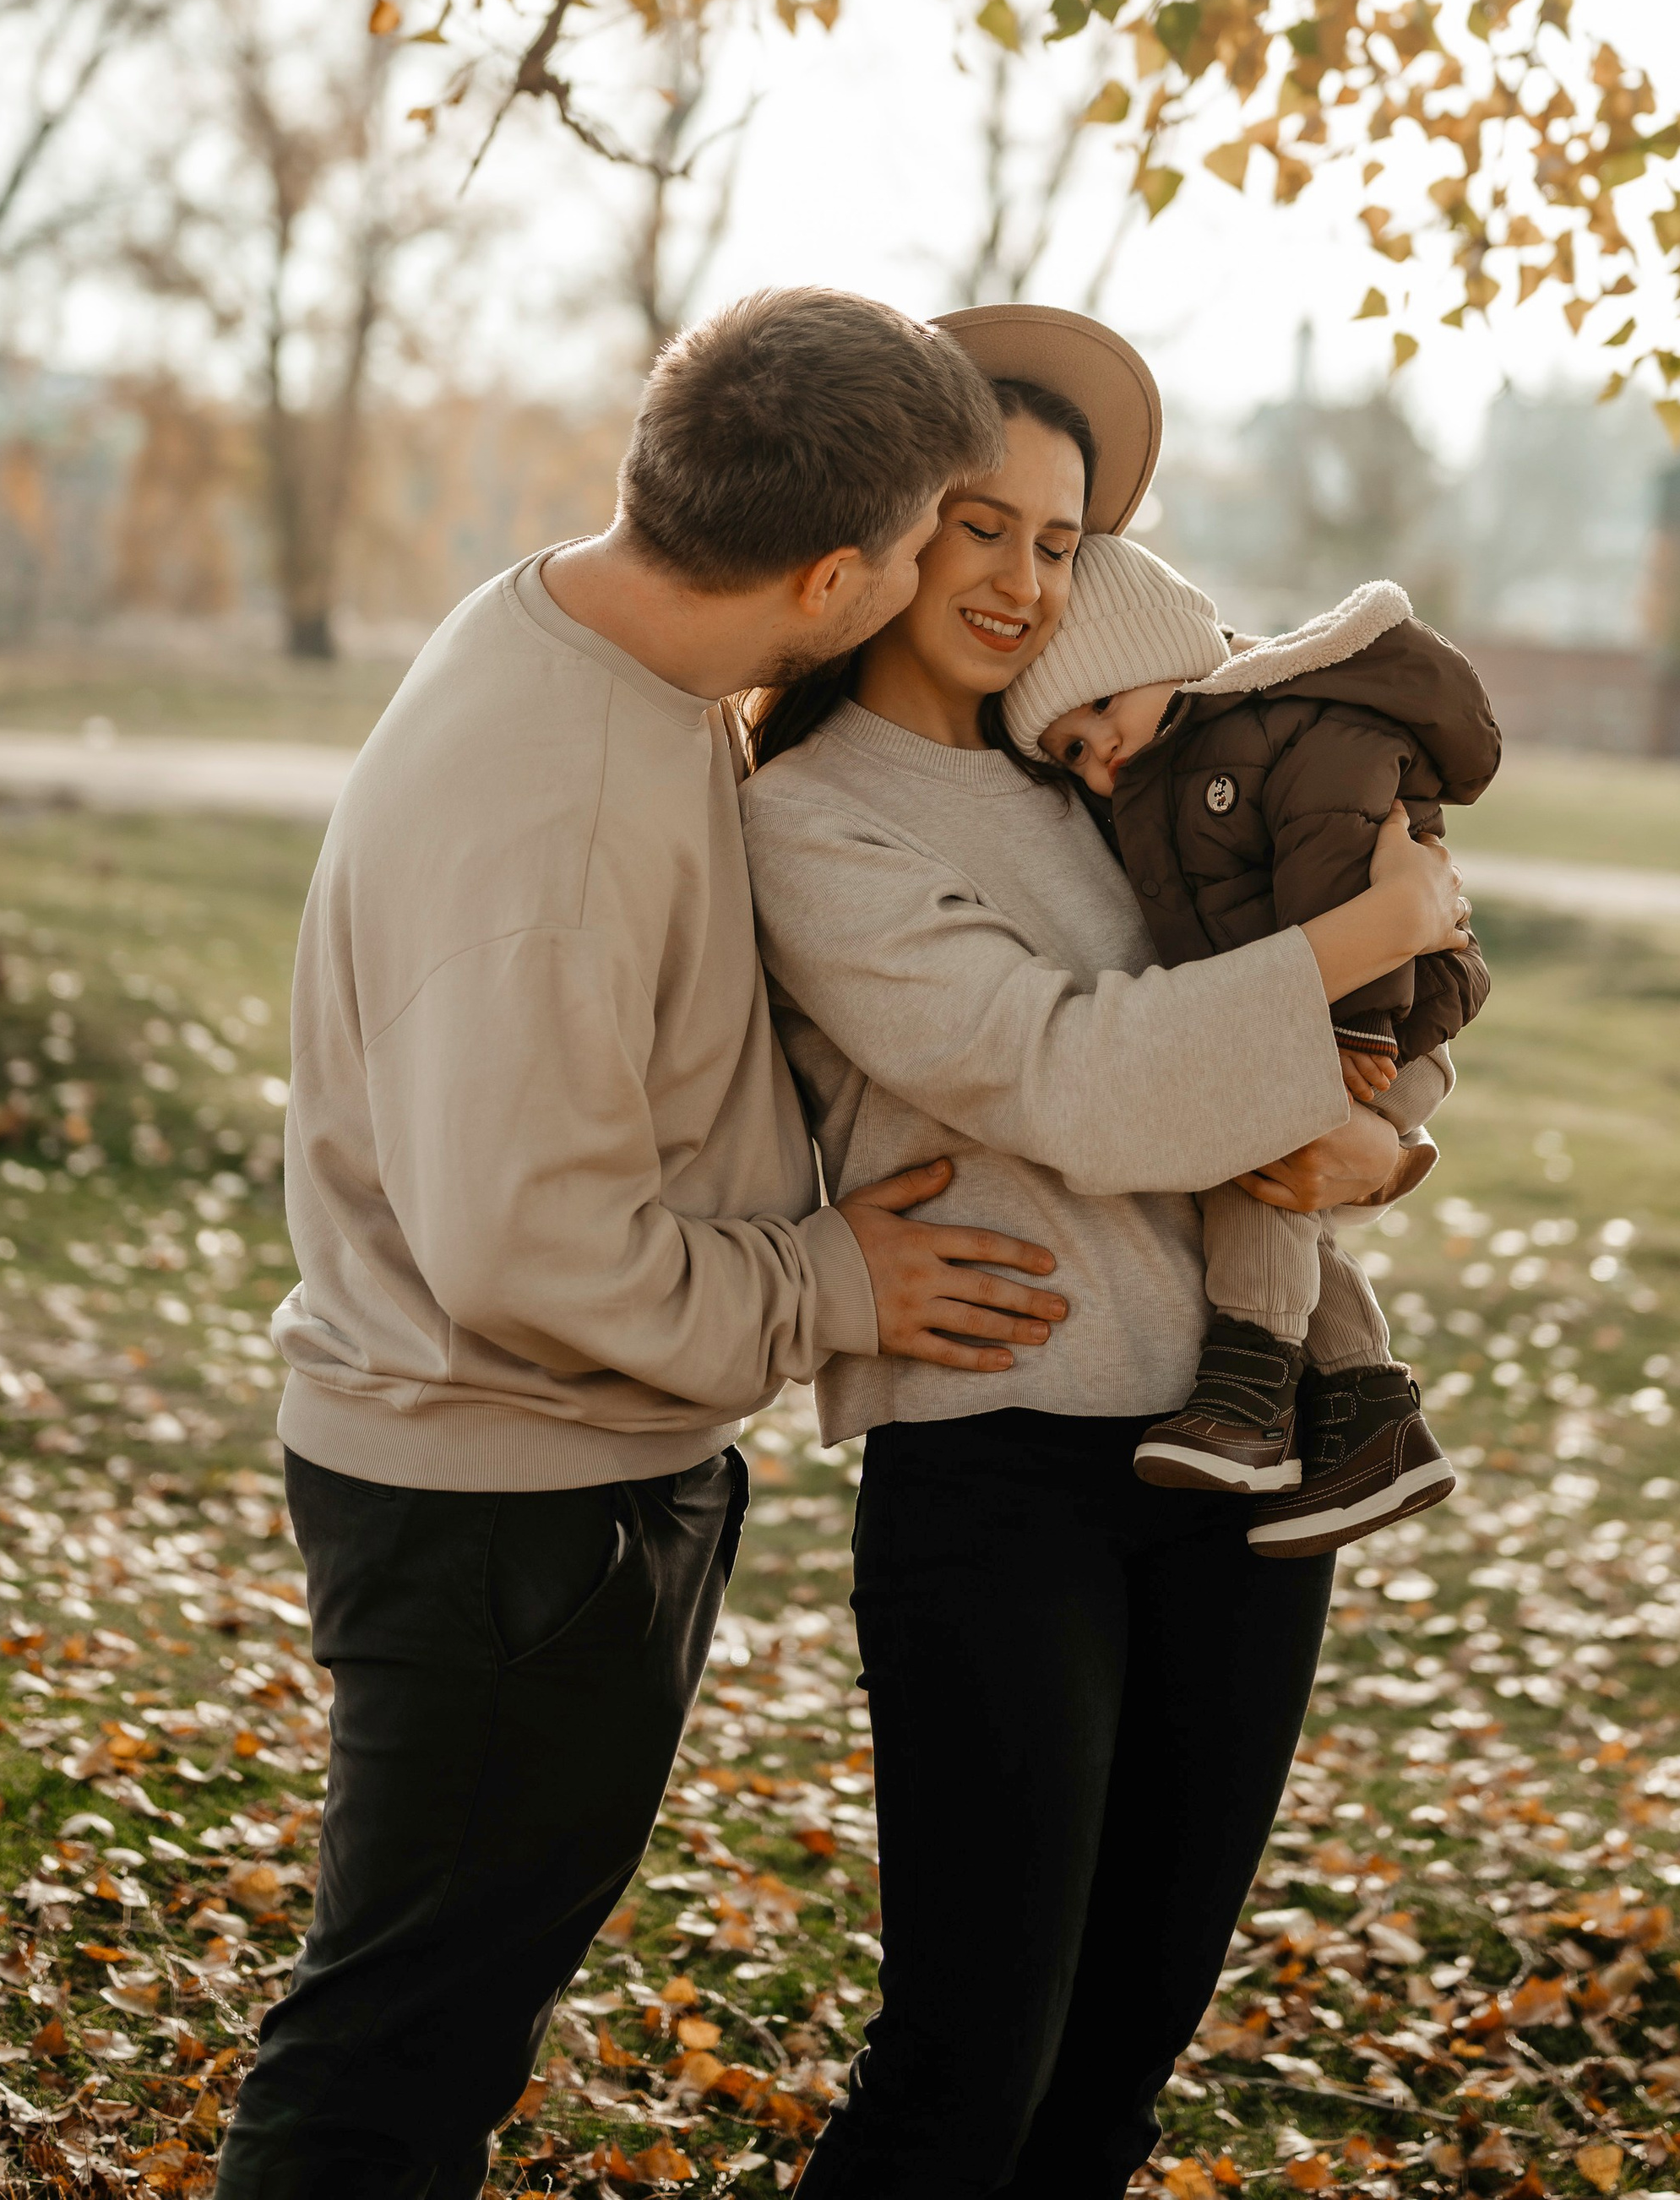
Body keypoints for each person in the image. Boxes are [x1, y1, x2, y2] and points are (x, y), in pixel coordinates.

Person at [218, 289, 1079, 2200]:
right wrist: (833, 1284)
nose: (964, 564)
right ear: (835, 570)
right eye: (942, 531)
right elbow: (531, 1247)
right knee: (389, 2053)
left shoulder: (601, 632)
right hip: (504, 1518)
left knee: (438, 2016)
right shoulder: (559, 808)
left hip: (553, 1488)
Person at [737, 301, 1471, 2200]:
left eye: (1057, 542)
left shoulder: (1115, 761)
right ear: (890, 520)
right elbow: (1067, 1072)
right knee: (969, 2063)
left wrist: (1378, 1147)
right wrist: (1333, 957)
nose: (1016, 580)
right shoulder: (809, 820)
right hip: (1006, 1460)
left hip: (1246, 1459)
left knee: (1122, 2060)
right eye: (979, 527)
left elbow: (1354, 983)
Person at [1003, 530, 1500, 1555]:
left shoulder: (1280, 725)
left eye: (1104, 708)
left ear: (1174, 650)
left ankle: (1251, 1384)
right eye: (1074, 753)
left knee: (1260, 1144)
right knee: (1272, 1163)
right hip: (1329, 1010)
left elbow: (1339, 843)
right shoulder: (1171, 779)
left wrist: (1349, 1019)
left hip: (1384, 1016)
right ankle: (1369, 1414)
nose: (1104, 756)